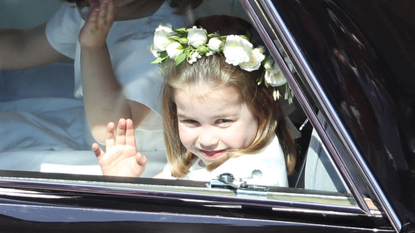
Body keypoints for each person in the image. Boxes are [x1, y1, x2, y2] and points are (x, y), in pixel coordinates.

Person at [93, 15, 297, 186]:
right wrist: (123, 182)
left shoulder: (241, 179)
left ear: (263, 105)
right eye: (191, 121)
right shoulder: (224, 156)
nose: (206, 140)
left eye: (223, 121)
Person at [0, 0, 191, 153]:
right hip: (91, 139)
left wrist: (93, 48)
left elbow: (113, 130)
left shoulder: (163, 37)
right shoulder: (92, 9)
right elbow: (24, 47)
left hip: (134, 161)